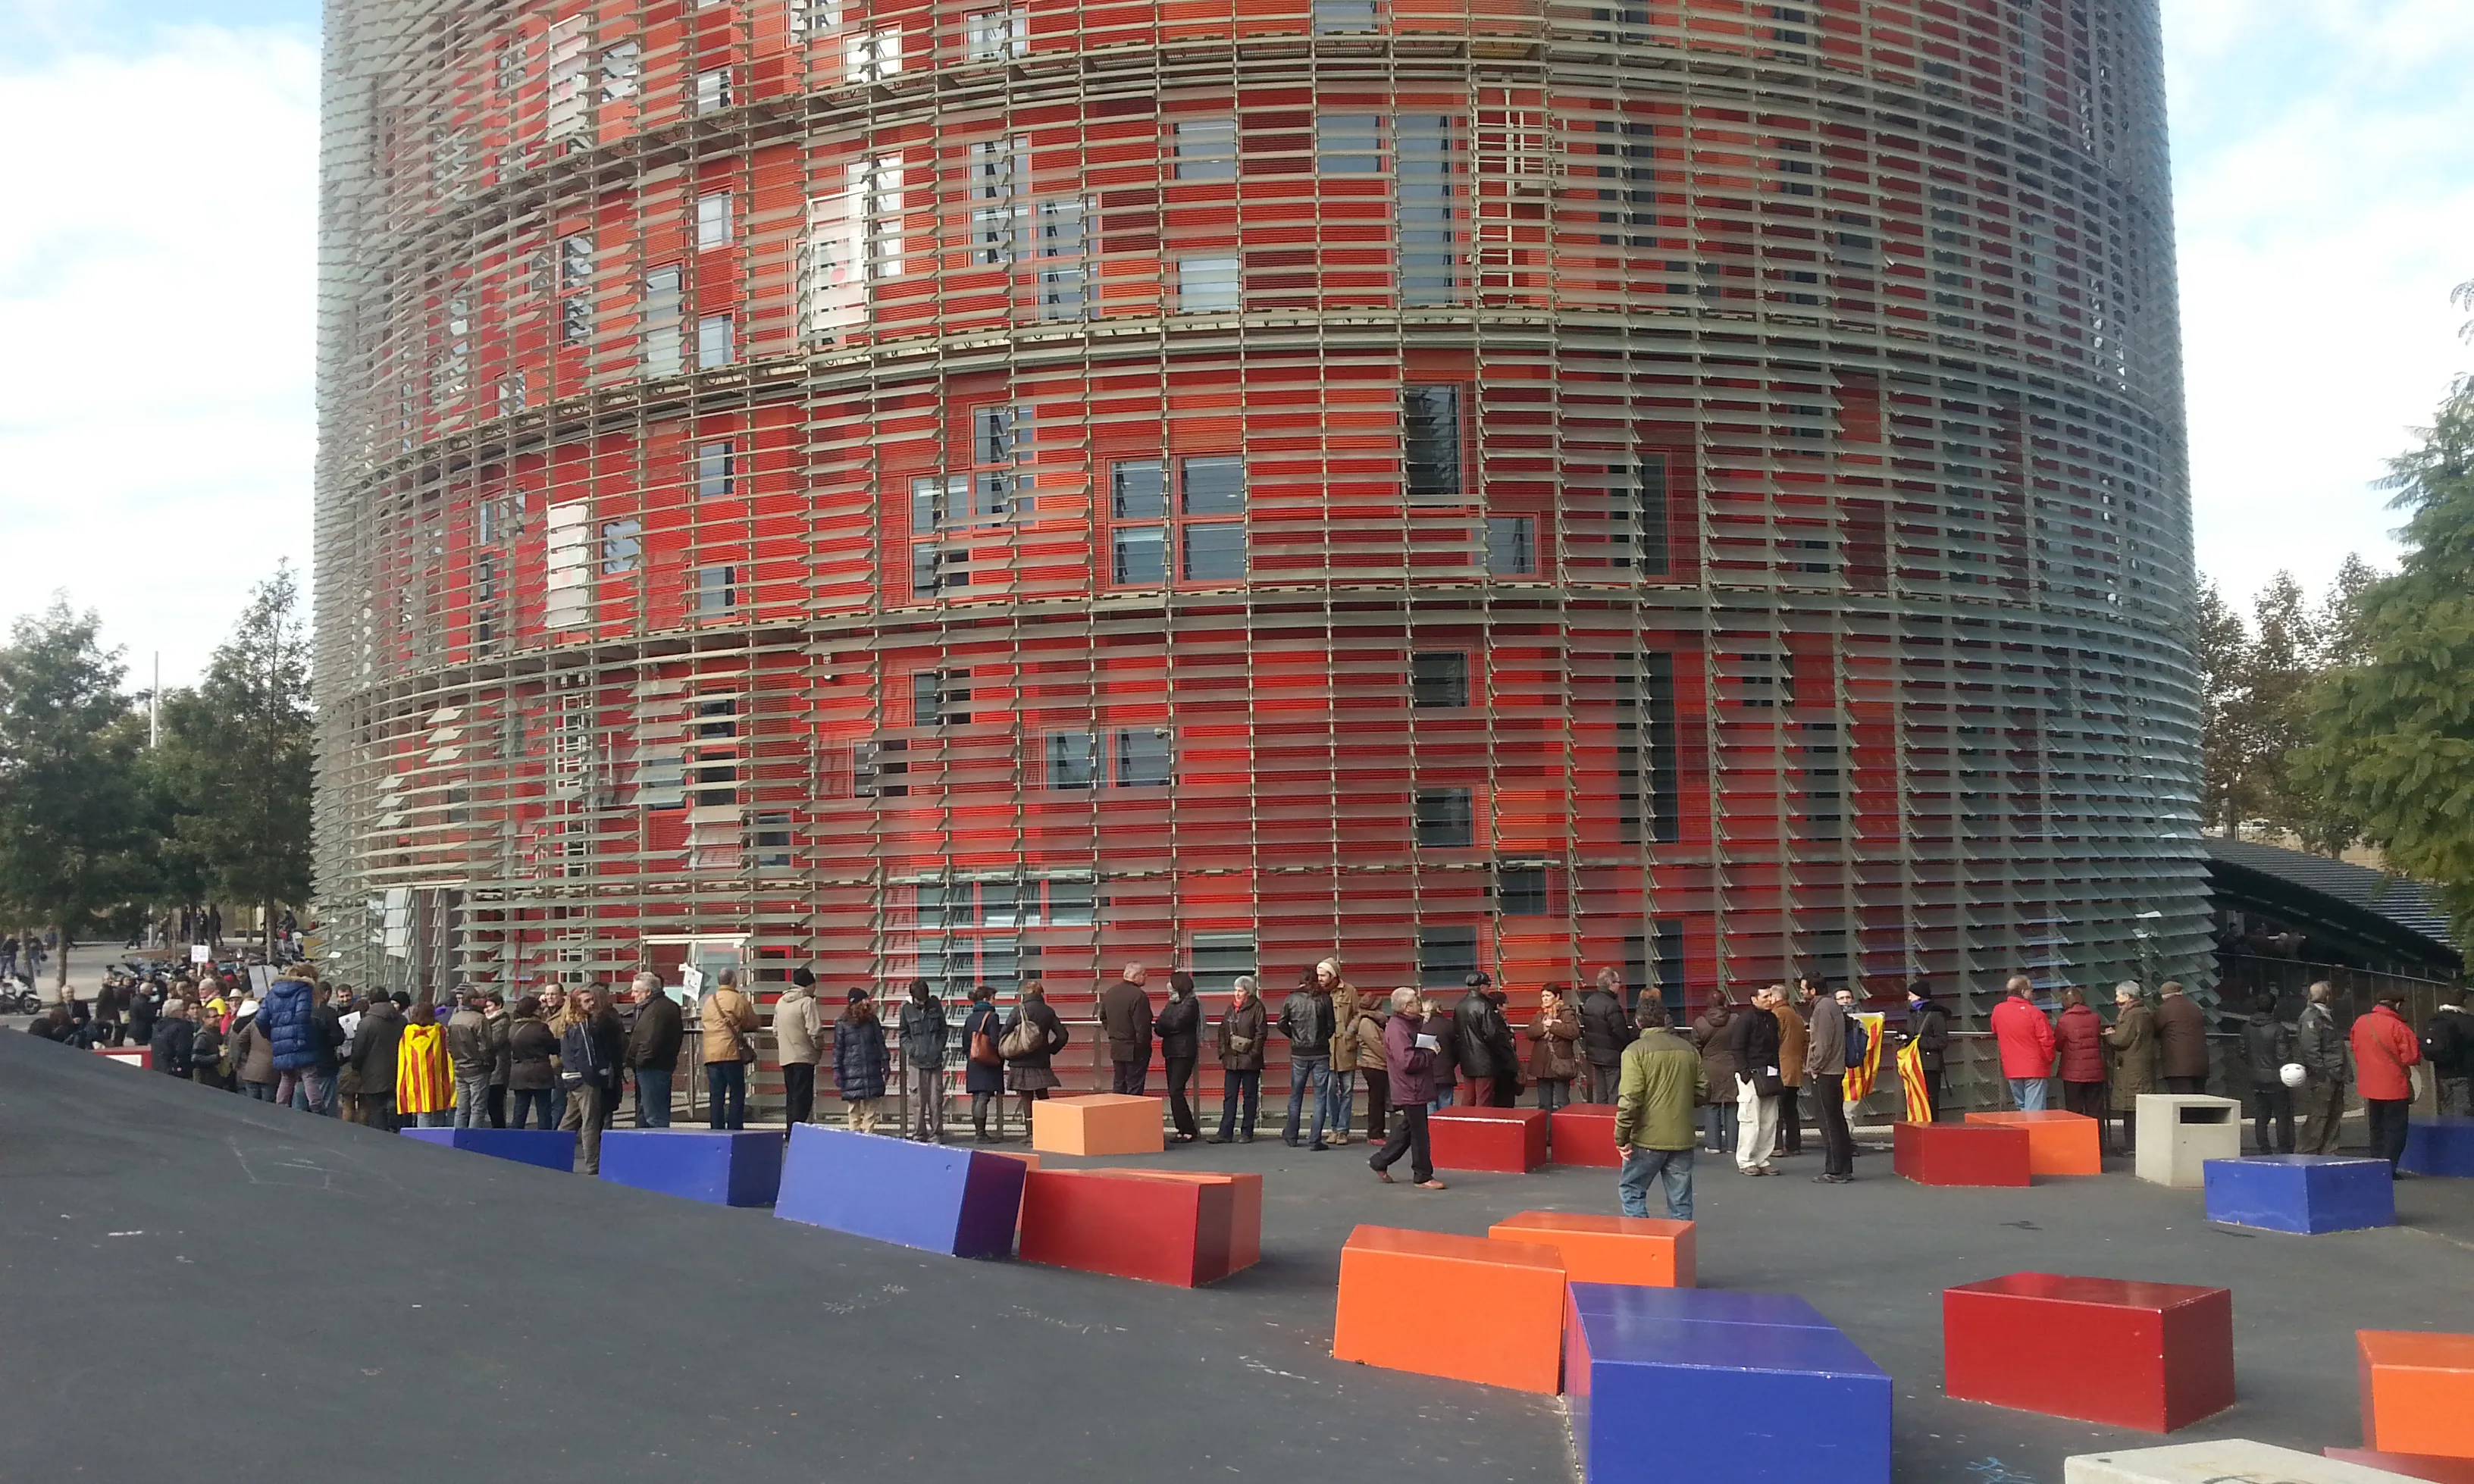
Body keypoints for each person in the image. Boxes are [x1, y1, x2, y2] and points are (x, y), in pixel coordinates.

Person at [1614, 997, 1708, 1217]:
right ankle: (1679, 1247)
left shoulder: (1634, 1051)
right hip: (1682, 1135)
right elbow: (1704, 1090)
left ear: (1638, 1022)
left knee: (1632, 1189)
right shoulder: (1688, 1049)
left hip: (1647, 1136)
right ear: (1666, 1019)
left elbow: (1630, 1098)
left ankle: (1643, 1243)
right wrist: (1682, 1102)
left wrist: (1621, 1136)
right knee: (1680, 1200)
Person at [1368, 988, 1446, 1191]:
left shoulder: (1405, 1023)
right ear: (1406, 1007)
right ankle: (1422, 1175)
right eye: (1415, 1001)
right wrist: (1431, 1053)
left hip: (1413, 1086)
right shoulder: (1397, 1028)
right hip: (1411, 1087)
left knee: (1408, 1128)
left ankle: (1380, 1160)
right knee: (1419, 1133)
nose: (1419, 1003)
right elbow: (1407, 1061)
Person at [2352, 990, 2422, 1177]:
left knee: (2377, 1127)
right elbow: (2411, 1057)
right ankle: (2389, 1168)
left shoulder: (2361, 1022)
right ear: (2398, 1004)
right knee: (2395, 1130)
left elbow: (2355, 1047)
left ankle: (2376, 1163)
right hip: (2394, 1086)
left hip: (2370, 1084)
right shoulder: (2399, 1027)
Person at [558, 987, 625, 1172]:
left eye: (592, 999)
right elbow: (586, 1056)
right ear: (577, 1004)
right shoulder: (581, 1026)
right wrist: (595, 1078)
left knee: (570, 1121)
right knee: (591, 1122)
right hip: (584, 1079)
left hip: (572, 1076)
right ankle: (593, 1164)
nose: (592, 1003)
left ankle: (554, 1155)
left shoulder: (569, 1023)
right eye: (587, 1001)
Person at [1727, 985, 1785, 1175]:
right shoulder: (1745, 1020)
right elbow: (1737, 1047)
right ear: (1754, 999)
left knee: (1770, 1119)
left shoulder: (1772, 1019)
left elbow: (1775, 1047)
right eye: (1766, 997)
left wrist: (1777, 1070)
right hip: (1751, 1074)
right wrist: (1744, 1074)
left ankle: (1761, 1159)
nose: (1770, 999)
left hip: (1769, 1073)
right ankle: (1746, 1160)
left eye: (1770, 996)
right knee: (1750, 1119)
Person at [1001, 980, 1068, 1136]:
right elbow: (1063, 1035)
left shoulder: (1018, 1010)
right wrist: (1051, 1049)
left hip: (1020, 1060)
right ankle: (1048, 1129)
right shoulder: (1048, 1011)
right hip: (1040, 1060)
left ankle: (1030, 1133)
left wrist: (1009, 1049)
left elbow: (1004, 1032)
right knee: (1043, 1094)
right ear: (1041, 993)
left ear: (1026, 993)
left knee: (1026, 1097)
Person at [1803, 978, 1854, 1184]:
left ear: (1813, 990)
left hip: (1826, 1071)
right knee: (1837, 1119)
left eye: (1803, 988)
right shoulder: (1832, 1006)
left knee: (1828, 1121)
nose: (1802, 992)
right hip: (1835, 1069)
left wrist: (1814, 1068)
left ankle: (1834, 1170)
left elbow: (1822, 1044)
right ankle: (1844, 1167)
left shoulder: (1822, 1009)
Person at [1280, 969, 1336, 1149]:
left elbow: (1282, 1023)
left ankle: (1292, 1136)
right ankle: (1315, 1140)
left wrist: (1294, 1036)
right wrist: (1322, 1038)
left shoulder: (1291, 999)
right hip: (1321, 1053)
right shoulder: (1325, 998)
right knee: (1320, 1096)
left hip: (1299, 1053)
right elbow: (1331, 1027)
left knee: (1296, 1095)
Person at [700, 969, 759, 1131]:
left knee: (716, 1095)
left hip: (711, 1055)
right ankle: (734, 1127)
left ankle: (716, 1128)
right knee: (737, 1092)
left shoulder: (709, 1001)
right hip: (731, 1052)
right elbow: (753, 1021)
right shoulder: (737, 999)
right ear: (733, 980)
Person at [1209, 975, 1267, 1144]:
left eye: (1240, 991)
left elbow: (1261, 1034)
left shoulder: (1257, 1008)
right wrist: (1223, 1052)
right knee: (1229, 1096)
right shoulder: (1230, 1008)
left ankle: (1247, 1132)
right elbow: (1222, 1030)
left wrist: (1253, 1054)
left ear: (1248, 992)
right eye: (1235, 990)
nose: (1237, 994)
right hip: (1231, 1059)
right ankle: (1225, 1133)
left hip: (1249, 1060)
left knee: (1249, 1096)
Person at [2103, 982, 2156, 1156]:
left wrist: (2110, 1035)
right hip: (2139, 1065)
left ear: (2128, 996)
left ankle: (2132, 1146)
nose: (2116, 999)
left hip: (2131, 1067)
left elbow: (2121, 1040)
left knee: (2131, 1107)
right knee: (2136, 1106)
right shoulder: (2143, 1012)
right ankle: (2135, 1144)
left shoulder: (2132, 1015)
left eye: (2119, 996)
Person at [2296, 981, 2348, 1154]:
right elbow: (2310, 1049)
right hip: (2325, 1075)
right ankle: (2307, 1153)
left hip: (2335, 1072)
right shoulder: (2311, 1017)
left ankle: (2328, 1152)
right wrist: (2322, 1073)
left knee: (2334, 1115)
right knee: (2319, 1116)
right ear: (2326, 996)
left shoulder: (2324, 1015)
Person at [1990, 975, 2056, 1113]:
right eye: (2031, 990)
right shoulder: (2035, 1013)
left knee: (2022, 1108)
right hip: (2035, 1068)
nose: (2032, 993)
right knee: (2035, 1110)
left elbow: (1994, 1029)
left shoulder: (1998, 1010)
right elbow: (2046, 1040)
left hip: (2011, 1068)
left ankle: (2025, 1133)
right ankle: (2035, 1134)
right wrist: (2049, 1060)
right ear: (2023, 992)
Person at [626, 972, 683, 1129]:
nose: (632, 995)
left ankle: (657, 1149)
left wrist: (638, 1061)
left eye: (636, 991)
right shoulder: (653, 1007)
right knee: (647, 1112)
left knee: (654, 1115)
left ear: (648, 992)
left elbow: (651, 1041)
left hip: (653, 1067)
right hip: (654, 1066)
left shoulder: (657, 1010)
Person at [2244, 992, 2297, 1154]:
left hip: (2256, 1076)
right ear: (2274, 1007)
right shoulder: (2279, 1029)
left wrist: (2253, 1065)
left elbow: (2242, 1051)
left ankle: (2264, 1149)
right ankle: (2284, 1149)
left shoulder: (2246, 1028)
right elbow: (2283, 1056)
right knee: (2282, 1115)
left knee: (2261, 1115)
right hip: (2276, 1078)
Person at [895, 978, 948, 1142]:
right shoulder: (906, 1009)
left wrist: (938, 1047)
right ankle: (919, 1133)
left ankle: (937, 1133)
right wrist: (912, 1050)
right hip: (916, 1062)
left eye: (924, 1000)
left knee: (936, 1100)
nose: (923, 1003)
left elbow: (943, 1029)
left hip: (935, 1060)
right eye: (920, 1001)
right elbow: (903, 1033)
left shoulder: (935, 1005)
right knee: (917, 1100)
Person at [1154, 971, 1204, 1144]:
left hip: (1184, 1052)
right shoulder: (1172, 1003)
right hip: (1171, 1051)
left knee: (1176, 1091)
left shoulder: (1191, 1002)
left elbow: (1177, 1023)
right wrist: (1168, 1026)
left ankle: (1188, 1129)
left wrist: (1167, 1026)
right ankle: (1182, 1129)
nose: (1168, 985)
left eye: (1170, 982)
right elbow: (1158, 1026)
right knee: (1173, 1092)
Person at [1453, 972, 1514, 1109]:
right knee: (1484, 1099)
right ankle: (1481, 1129)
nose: (1488, 990)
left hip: (1467, 1059)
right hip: (1485, 1060)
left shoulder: (1460, 1006)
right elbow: (1492, 1035)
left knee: (1468, 1098)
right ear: (1481, 987)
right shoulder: (1484, 1006)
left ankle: (1465, 1126)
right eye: (1487, 986)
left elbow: (1457, 1033)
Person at [835, 988, 891, 1135]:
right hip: (855, 1069)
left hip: (865, 1068)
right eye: (864, 999)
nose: (867, 1003)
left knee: (869, 1107)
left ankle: (866, 1135)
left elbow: (880, 1043)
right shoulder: (843, 1023)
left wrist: (885, 1062)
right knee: (855, 1108)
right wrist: (837, 1069)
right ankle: (857, 1136)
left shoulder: (872, 1021)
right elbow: (838, 1048)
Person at [1692, 991, 1741, 1154]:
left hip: (1709, 1066)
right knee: (1732, 1106)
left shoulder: (1700, 1023)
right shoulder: (1735, 1020)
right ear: (1725, 1001)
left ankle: (1713, 1145)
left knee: (1712, 1105)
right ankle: (1733, 1145)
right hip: (1731, 1065)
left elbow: (1695, 1048)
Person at [775, 968, 825, 1131]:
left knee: (791, 1097)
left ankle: (790, 1129)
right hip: (804, 1057)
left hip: (786, 1056)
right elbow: (815, 1031)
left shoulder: (780, 1002)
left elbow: (775, 1029)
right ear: (809, 985)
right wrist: (818, 1049)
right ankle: (799, 1131)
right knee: (803, 1098)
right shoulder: (807, 1002)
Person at [1096, 963, 1155, 1097]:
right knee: (1135, 1086)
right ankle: (1132, 1116)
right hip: (1135, 1048)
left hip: (1117, 1046)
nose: (1146, 976)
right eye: (1144, 974)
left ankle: (1118, 1115)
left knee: (1119, 1083)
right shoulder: (1139, 996)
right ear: (1136, 976)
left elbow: (1103, 1016)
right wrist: (1143, 1045)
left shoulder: (1111, 992)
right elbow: (1142, 1026)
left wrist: (1112, 1033)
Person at [1578, 968, 1634, 1104]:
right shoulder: (1612, 1005)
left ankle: (1601, 1122)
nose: (1619, 986)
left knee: (1601, 1094)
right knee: (1614, 1092)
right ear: (1611, 984)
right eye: (1618, 982)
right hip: (1612, 1057)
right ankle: (1613, 1122)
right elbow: (1621, 1032)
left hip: (1595, 1055)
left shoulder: (1590, 1002)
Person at [1319, 960, 1361, 1147]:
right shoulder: (1319, 992)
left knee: (1347, 1090)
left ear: (1333, 976)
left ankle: (1343, 1130)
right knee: (1328, 1090)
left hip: (1345, 1047)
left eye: (1323, 975)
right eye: (1318, 975)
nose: (1320, 979)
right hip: (1325, 1048)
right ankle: (1334, 1127)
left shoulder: (1350, 991)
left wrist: (1350, 1030)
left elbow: (1358, 1014)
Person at [352, 992, 406, 1130]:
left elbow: (358, 1050)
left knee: (377, 1111)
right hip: (398, 1071)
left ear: (371, 1002)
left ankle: (382, 1139)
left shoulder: (367, 1023)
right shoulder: (402, 1020)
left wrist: (356, 1067)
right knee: (395, 1104)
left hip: (372, 1074)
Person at [959, 983, 1006, 1141]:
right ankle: (981, 1134)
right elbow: (994, 1041)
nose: (995, 1002)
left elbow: (965, 1042)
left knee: (977, 1097)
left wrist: (972, 1055)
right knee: (983, 1097)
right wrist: (999, 1057)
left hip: (974, 1062)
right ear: (986, 999)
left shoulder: (970, 1017)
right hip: (988, 1062)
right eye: (994, 998)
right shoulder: (992, 1017)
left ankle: (979, 1131)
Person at [2054, 987, 2107, 1125]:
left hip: (2073, 1073)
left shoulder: (2065, 1020)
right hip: (2095, 1071)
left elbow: (2058, 1044)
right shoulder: (2094, 1017)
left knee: (2074, 1111)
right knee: (2095, 1110)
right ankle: (2099, 1143)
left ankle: (2078, 1144)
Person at [1524, 985, 1581, 1114]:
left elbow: (1573, 1031)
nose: (1545, 999)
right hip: (1542, 1066)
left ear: (1557, 996)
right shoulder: (1540, 1014)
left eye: (1548, 995)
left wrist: (1553, 1025)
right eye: (1543, 996)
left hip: (1559, 1064)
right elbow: (1530, 1033)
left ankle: (1563, 1132)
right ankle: (1546, 1131)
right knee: (1544, 1105)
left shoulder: (1566, 1012)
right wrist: (1544, 1027)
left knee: (1562, 1103)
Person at [396, 1003, 455, 1129]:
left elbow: (403, 1056)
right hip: (438, 1077)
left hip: (416, 1078)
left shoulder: (408, 1032)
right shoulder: (440, 1031)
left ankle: (423, 1141)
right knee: (440, 1109)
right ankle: (441, 1139)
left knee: (422, 1111)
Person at [506, 996, 559, 1130]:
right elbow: (553, 1048)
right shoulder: (541, 1028)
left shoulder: (513, 1028)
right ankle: (544, 1140)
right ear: (533, 1011)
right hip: (540, 1072)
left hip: (518, 1071)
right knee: (544, 1110)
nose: (542, 1011)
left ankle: (516, 1139)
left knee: (520, 1110)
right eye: (540, 1009)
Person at [1901, 982, 1951, 1121]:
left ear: (1920, 996)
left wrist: (1918, 1041)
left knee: (1931, 1099)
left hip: (1930, 1064)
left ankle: (1932, 1128)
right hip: (1914, 1063)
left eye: (1911, 995)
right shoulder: (1912, 1013)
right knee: (1915, 1098)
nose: (1909, 999)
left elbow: (1942, 1041)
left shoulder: (1935, 1015)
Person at [445, 989, 494, 1129]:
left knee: (462, 1108)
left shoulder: (455, 1018)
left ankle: (459, 1139)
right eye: (483, 997)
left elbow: (448, 1044)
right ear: (474, 1001)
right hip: (477, 1068)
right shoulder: (480, 1019)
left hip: (460, 1067)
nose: (486, 999)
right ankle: (473, 1140)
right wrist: (488, 1064)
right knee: (477, 1108)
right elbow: (486, 1046)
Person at [1348, 986, 1390, 1144]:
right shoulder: (1367, 1023)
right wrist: (1391, 1059)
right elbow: (1376, 1045)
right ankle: (1375, 1134)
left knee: (1377, 1099)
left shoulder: (1371, 1021)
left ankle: (1376, 1133)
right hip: (1374, 1065)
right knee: (1376, 1101)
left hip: (1375, 1064)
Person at [1771, 982, 1809, 1155]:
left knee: (1776, 1110)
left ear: (1776, 997)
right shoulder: (1796, 1016)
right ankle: (1794, 1145)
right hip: (1795, 1069)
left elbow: (1773, 1040)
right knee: (1791, 1111)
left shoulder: (1777, 1015)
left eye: (1770, 996)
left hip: (1780, 1067)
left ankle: (1777, 1145)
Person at [2423, 991, 2474, 1119]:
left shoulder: (2435, 1018)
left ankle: (2447, 1136)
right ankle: (2462, 1138)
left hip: (2441, 1072)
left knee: (2446, 1108)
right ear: (2465, 1001)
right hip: (2464, 1072)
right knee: (2464, 1111)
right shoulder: (2468, 1020)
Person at [2153, 980, 2208, 1094]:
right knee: (2200, 1101)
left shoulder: (2164, 1009)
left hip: (2177, 1066)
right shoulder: (2195, 1008)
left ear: (2164, 995)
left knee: (2182, 1102)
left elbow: (2154, 1030)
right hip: (2200, 1064)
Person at [1422, 991, 1459, 1113]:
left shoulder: (1421, 1026)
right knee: (1446, 1105)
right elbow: (1458, 1049)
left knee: (1430, 1106)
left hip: (1426, 1072)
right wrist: (1451, 1063)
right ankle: (1445, 1130)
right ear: (1439, 1009)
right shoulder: (1449, 1025)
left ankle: (1432, 1130)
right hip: (1446, 1073)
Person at [233, 1005, 278, 1101]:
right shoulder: (280, 1024)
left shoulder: (255, 1022)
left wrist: (251, 1051)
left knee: (251, 1106)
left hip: (251, 1069)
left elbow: (240, 1039)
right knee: (267, 1107)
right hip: (270, 1071)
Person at [484, 991, 512, 1129]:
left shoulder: (502, 1022)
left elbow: (494, 1043)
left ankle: (499, 1132)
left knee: (496, 1105)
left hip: (498, 1069)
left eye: (489, 1006)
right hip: (490, 1069)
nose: (486, 1009)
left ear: (499, 1005)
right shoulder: (488, 1021)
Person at [150, 999, 196, 1078]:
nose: (184, 1013)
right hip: (178, 1070)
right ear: (175, 1012)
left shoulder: (157, 1026)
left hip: (159, 1067)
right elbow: (184, 1049)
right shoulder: (182, 1027)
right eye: (182, 1010)